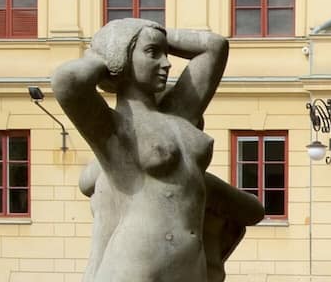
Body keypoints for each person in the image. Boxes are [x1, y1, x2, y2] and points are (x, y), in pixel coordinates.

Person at [53, 18, 264, 282]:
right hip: (137, 266)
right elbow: (68, 81)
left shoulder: (180, 114)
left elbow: (214, 46)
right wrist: (109, 49)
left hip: (189, 266)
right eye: (153, 53)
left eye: (165, 53)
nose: (167, 63)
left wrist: (154, 33)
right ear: (123, 59)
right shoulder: (114, 128)